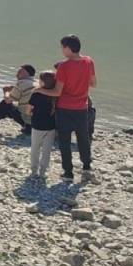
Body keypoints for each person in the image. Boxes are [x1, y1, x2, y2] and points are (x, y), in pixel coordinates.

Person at [35, 35, 98, 181]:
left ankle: (68, 173)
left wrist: (39, 90)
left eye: (62, 47)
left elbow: (57, 92)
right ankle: (87, 166)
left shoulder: (64, 66)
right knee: (83, 138)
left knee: (64, 140)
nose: (62, 50)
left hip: (64, 108)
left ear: (68, 48)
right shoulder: (89, 61)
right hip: (82, 107)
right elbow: (93, 84)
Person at [0, 65, 37, 134]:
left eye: (19, 72)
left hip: (29, 122)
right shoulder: (37, 83)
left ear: (26, 73)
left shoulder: (22, 83)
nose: (16, 75)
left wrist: (6, 91)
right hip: (39, 122)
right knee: (17, 105)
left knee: (4, 104)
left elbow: (8, 100)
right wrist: (14, 88)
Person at [28, 71, 58, 179]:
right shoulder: (56, 95)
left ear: (43, 82)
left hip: (37, 124)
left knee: (35, 147)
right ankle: (43, 171)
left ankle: (34, 169)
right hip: (51, 126)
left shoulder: (37, 93)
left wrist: (30, 113)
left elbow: (28, 109)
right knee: (47, 149)